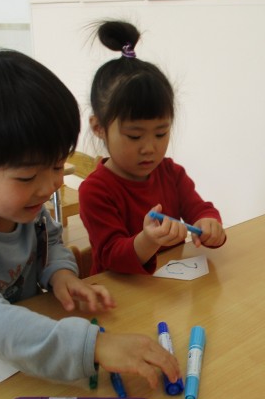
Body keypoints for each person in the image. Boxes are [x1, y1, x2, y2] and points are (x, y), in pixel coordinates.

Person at [0, 49, 180, 387]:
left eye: (57, 166)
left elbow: (47, 239)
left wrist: (59, 273)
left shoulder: (17, 202)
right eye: (27, 176)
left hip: (20, 354)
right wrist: (94, 346)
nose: (51, 186)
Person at [79, 20, 226, 276]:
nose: (149, 148)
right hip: (120, 291)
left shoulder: (171, 174)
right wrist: (148, 240)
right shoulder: (95, 190)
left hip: (168, 289)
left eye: (161, 133)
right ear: (99, 127)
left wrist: (210, 224)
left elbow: (199, 209)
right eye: (134, 136)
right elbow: (110, 256)